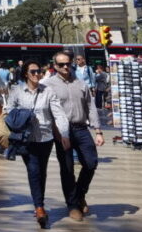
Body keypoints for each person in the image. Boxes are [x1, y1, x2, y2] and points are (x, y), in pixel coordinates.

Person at [4, 59, 70, 228]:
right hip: (26, 139)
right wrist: (22, 117)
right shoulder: (17, 91)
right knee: (33, 170)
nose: (37, 74)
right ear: (26, 73)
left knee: (42, 171)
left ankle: (39, 201)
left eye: (39, 71)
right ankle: (39, 207)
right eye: (33, 72)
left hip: (45, 138)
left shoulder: (48, 91)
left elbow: (58, 113)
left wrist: (64, 133)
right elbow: (9, 110)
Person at [41, 50, 104, 221]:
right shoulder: (48, 85)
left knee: (91, 162)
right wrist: (57, 132)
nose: (65, 67)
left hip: (81, 128)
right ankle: (73, 205)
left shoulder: (80, 83)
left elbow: (90, 107)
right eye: (61, 64)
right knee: (67, 168)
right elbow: (46, 111)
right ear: (55, 66)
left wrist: (98, 131)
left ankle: (79, 193)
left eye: (68, 63)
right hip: (62, 131)